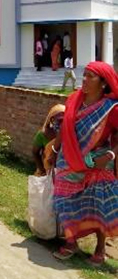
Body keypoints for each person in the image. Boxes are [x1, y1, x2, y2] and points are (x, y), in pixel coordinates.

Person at [53, 62, 118, 265]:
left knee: (99, 205)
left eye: (91, 77)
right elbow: (64, 130)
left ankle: (99, 249)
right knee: (65, 201)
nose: (85, 80)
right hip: (69, 160)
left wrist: (109, 156)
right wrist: (54, 152)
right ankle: (71, 242)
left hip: (98, 163)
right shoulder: (73, 101)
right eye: (84, 75)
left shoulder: (112, 109)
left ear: (104, 83)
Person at [32, 104, 65, 176]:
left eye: (64, 120)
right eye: (59, 120)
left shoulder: (68, 135)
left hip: (62, 172)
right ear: (52, 120)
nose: (62, 124)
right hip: (46, 170)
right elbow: (35, 152)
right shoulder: (42, 134)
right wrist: (42, 170)